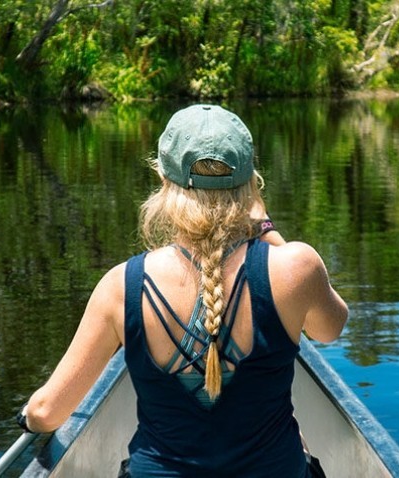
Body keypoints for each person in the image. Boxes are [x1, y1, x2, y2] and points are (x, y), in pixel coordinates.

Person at [19, 104, 348, 477]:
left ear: (162, 179)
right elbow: (329, 328)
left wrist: (28, 417)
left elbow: (47, 412)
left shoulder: (122, 287)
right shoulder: (296, 268)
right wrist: (265, 226)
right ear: (251, 185)